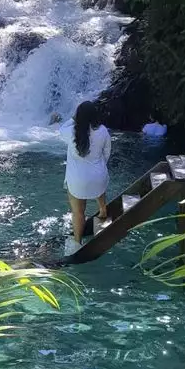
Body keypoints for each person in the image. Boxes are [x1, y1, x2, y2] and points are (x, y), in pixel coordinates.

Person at [61, 101, 111, 255]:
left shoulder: (71, 132)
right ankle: (103, 210)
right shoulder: (103, 131)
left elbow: (60, 128)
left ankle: (77, 242)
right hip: (98, 179)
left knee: (78, 212)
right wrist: (100, 166)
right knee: (99, 181)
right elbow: (107, 152)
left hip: (77, 182)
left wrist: (72, 119)